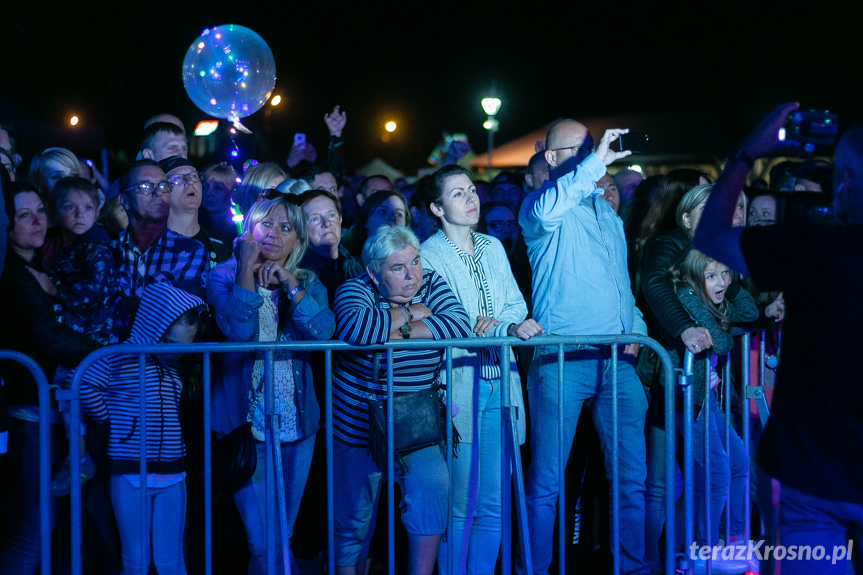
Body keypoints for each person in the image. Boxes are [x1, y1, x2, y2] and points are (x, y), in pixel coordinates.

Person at [695, 102, 863, 575]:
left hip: (809, 478)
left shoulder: (813, 248)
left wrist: (747, 154)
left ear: (844, 184)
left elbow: (710, 235)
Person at [518, 120, 649, 575]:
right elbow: (555, 206)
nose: (595, 152)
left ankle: (631, 567)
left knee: (632, 480)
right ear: (551, 159)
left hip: (615, 362)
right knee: (547, 482)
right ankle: (535, 568)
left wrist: (634, 327)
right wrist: (595, 163)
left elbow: (619, 285)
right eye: (582, 147)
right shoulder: (539, 205)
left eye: (593, 146)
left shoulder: (606, 212)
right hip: (562, 359)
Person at [419, 165, 544, 574]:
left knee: (492, 501)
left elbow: (516, 304)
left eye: (471, 190)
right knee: (461, 502)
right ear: (437, 207)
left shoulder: (492, 246)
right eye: (457, 194)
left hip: (499, 381)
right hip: (458, 383)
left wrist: (501, 325)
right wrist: (490, 324)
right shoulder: (428, 254)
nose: (471, 198)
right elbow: (449, 316)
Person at [207, 190, 335, 575]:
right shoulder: (222, 276)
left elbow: (324, 331)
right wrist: (247, 270)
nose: (275, 234)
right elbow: (240, 330)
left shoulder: (308, 282)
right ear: (249, 229)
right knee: (262, 540)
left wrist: (290, 285)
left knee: (283, 533)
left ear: (297, 240)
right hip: (246, 427)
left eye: (286, 228)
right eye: (266, 224)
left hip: (297, 425)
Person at [331, 225, 471, 575]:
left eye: (416, 262)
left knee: (433, 492)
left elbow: (459, 325)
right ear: (374, 273)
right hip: (358, 427)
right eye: (398, 268)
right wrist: (412, 313)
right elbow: (360, 331)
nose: (412, 276)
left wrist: (395, 329)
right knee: (353, 521)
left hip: (415, 423)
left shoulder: (431, 282)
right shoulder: (353, 289)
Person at [0, 182, 102, 574]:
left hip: (46, 408)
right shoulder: (11, 274)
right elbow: (48, 337)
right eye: (24, 214)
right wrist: (108, 354)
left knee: (43, 528)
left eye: (40, 211)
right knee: (32, 532)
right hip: (31, 412)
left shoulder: (37, 266)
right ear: (6, 223)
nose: (37, 220)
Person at [79, 282, 206, 575]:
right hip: (130, 469)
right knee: (135, 561)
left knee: (171, 561)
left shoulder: (174, 367)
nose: (195, 328)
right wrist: (107, 420)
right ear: (158, 322)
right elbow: (83, 382)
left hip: (173, 471)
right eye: (172, 345)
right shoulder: (122, 355)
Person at [112, 160, 208, 321]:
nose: (158, 193)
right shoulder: (109, 251)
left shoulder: (190, 250)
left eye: (163, 186)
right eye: (145, 187)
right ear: (125, 201)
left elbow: (179, 314)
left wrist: (120, 302)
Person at [159, 156, 232, 268]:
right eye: (177, 178)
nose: (190, 182)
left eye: (194, 176)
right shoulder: (147, 244)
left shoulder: (219, 246)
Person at [299, 189, 363, 307]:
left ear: (340, 219)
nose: (327, 223)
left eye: (331, 215)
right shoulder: (300, 275)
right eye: (315, 218)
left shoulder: (356, 268)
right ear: (301, 227)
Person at [347, 188, 410, 257]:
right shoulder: (350, 265)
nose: (391, 218)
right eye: (382, 212)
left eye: (399, 214)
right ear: (365, 220)